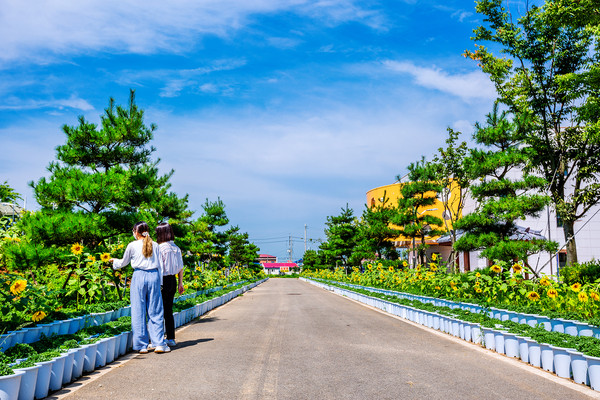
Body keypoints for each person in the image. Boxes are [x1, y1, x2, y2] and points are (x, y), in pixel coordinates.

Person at [112, 221, 171, 354]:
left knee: (138, 310)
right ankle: (159, 343)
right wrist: (160, 283)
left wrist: (114, 262)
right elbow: (160, 265)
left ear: (136, 232)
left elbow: (123, 262)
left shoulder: (132, 245)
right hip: (154, 276)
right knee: (155, 310)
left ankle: (141, 345)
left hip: (138, 276)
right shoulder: (155, 245)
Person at [156, 222, 185, 347]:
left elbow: (159, 267)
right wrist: (180, 284)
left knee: (158, 310)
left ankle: (159, 338)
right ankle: (171, 338)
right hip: (173, 281)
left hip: (162, 280)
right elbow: (181, 268)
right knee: (168, 310)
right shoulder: (176, 248)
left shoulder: (160, 248)